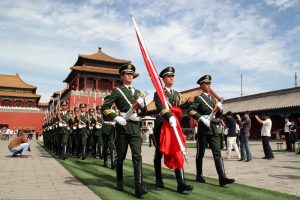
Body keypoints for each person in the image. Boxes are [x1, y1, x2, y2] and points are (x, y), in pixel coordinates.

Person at [101, 63, 148, 197]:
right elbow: (105, 107)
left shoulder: (138, 92)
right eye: (127, 73)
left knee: (137, 156)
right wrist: (116, 117)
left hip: (134, 126)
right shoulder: (118, 91)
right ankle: (119, 180)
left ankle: (138, 185)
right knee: (120, 157)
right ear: (122, 77)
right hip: (122, 127)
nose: (130, 75)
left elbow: (143, 112)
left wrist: (143, 105)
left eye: (131, 74)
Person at [188, 74, 235, 187]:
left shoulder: (214, 99)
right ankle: (199, 175)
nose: (209, 85)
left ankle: (222, 177)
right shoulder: (199, 98)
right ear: (201, 85)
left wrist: (220, 109)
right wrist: (201, 118)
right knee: (201, 153)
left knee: (217, 153)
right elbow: (191, 110)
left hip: (213, 127)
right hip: (203, 128)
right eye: (206, 84)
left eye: (209, 84)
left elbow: (217, 114)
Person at [153, 66, 193, 193]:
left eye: (173, 76)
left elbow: (177, 108)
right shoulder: (159, 92)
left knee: (177, 151)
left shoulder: (176, 94)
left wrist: (188, 103)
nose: (171, 78)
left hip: (173, 125)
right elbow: (160, 107)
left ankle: (181, 183)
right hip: (161, 125)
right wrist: (169, 115)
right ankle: (158, 178)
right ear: (164, 79)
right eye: (169, 76)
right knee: (159, 153)